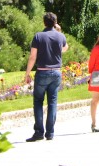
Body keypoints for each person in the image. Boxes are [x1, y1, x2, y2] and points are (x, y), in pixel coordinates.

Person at [23, 12, 68, 141]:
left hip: (42, 72)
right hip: (56, 72)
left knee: (38, 101)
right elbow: (64, 49)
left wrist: (27, 73)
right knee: (52, 102)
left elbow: (32, 57)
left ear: (44, 22)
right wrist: (58, 32)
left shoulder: (38, 36)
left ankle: (38, 132)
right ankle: (50, 133)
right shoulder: (61, 36)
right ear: (55, 23)